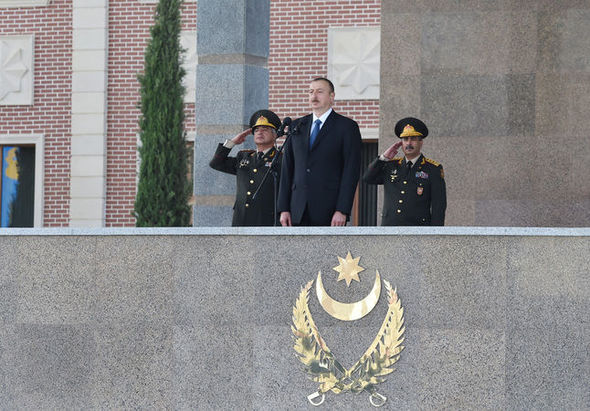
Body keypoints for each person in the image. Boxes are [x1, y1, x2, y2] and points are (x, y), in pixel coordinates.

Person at [278, 77, 362, 226]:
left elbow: (351, 171)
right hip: (297, 209)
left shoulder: (347, 127)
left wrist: (342, 210)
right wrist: (283, 208)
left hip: (329, 210)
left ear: (332, 96)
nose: (314, 96)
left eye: (319, 92)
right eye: (311, 92)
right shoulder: (297, 126)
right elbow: (287, 169)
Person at [363, 117, 446, 226]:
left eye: (413, 139)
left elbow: (439, 206)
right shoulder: (390, 165)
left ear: (421, 142)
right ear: (401, 143)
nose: (409, 143)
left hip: (418, 229)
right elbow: (368, 178)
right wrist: (383, 158)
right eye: (405, 139)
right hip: (390, 228)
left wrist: (435, 232)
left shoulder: (433, 169)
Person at [209, 109, 283, 226]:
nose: (259, 132)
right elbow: (216, 163)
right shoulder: (244, 157)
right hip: (241, 219)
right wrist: (232, 142)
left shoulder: (281, 159)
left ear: (275, 135)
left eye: (265, 129)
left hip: (266, 220)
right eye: (256, 130)